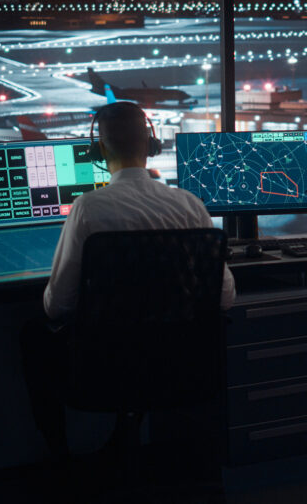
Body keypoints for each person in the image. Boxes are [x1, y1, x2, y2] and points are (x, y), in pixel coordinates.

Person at [22, 101, 235, 457]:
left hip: (104, 369)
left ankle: (59, 462)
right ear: (152, 147)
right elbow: (224, 299)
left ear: (98, 149)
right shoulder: (191, 205)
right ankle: (130, 434)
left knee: (32, 335)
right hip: (180, 364)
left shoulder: (88, 208)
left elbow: (58, 306)